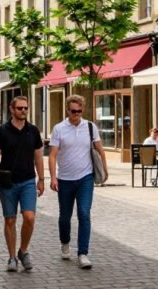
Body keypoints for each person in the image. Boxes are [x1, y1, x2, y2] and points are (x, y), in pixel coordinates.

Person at [48, 95, 107, 270]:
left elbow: (100, 149)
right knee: (65, 217)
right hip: (65, 179)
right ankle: (65, 242)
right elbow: (52, 155)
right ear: (67, 110)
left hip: (85, 178)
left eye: (79, 111)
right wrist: (52, 177)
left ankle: (83, 253)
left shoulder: (90, 127)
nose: (77, 115)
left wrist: (105, 169)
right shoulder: (59, 129)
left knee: (84, 212)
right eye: (73, 111)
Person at [0, 96, 44, 272]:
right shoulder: (3, 131)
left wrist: (41, 179)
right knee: (10, 219)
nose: (23, 111)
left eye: (26, 108)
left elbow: (38, 156)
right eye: (20, 108)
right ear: (12, 110)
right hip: (7, 182)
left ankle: (23, 251)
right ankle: (12, 257)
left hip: (28, 180)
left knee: (29, 217)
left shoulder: (33, 131)